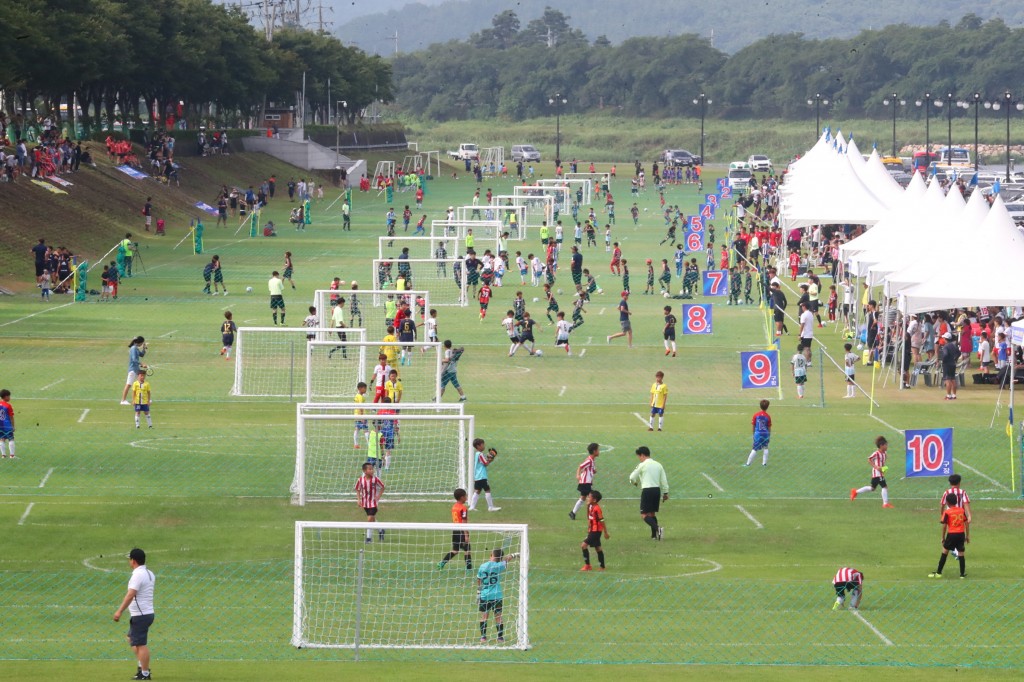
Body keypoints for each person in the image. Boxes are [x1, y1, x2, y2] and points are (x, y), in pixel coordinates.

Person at [113, 548, 155, 681]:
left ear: (134, 561)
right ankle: (142, 666)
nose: (129, 562)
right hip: (145, 613)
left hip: (141, 615)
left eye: (130, 559)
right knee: (131, 639)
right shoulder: (149, 573)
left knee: (140, 644)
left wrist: (119, 611)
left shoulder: (137, 575)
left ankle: (145, 673)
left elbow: (131, 594)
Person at [477, 548, 519, 643]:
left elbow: (479, 579)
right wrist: (514, 555)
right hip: (497, 595)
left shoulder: (482, 566)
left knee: (484, 617)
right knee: (498, 617)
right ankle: (500, 638)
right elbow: (506, 559)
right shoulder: (499, 566)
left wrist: (478, 592)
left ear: (491, 555)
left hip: (484, 595)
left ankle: (483, 637)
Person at [628, 446, 669, 540]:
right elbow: (664, 480)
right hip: (656, 490)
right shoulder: (658, 465)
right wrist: (665, 493)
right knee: (652, 514)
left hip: (647, 490)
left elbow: (631, 477)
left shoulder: (642, 465)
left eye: (639, 456)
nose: (639, 458)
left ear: (642, 455)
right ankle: (654, 536)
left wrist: (634, 483)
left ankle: (658, 529)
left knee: (644, 515)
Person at [928, 492, 969, 579]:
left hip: (952, 534)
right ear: (956, 501)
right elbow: (966, 523)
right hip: (961, 534)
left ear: (947, 502)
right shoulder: (962, 510)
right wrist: (967, 536)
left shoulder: (947, 512)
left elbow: (944, 525)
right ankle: (962, 575)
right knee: (961, 553)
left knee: (945, 552)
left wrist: (942, 537)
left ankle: (938, 573)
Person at [850, 436, 894, 507]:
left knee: (872, 488)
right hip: (877, 473)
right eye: (886, 445)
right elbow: (869, 459)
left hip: (880, 473)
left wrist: (883, 468)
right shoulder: (876, 453)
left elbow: (882, 462)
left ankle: (855, 491)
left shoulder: (884, 453)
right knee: (884, 487)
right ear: (881, 445)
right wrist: (876, 467)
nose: (887, 446)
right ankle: (885, 503)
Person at [438, 488, 473, 570]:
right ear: (462, 497)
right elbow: (464, 522)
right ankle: (469, 569)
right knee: (467, 550)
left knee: (455, 550)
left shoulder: (454, 507)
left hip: (455, 530)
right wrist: (466, 535)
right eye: (465, 496)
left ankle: (442, 563)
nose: (467, 497)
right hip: (462, 530)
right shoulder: (463, 508)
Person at [354, 462, 386, 543]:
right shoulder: (360, 480)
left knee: (369, 520)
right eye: (370, 469)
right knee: (372, 519)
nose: (372, 471)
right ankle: (381, 530)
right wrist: (359, 499)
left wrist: (378, 496)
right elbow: (357, 489)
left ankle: (369, 538)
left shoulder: (375, 479)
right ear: (364, 471)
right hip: (365, 503)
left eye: (372, 469)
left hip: (373, 503)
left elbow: (382, 487)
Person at [579, 489, 610, 571]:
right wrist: (587, 506)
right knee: (598, 547)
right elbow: (588, 517)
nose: (587, 498)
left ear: (594, 500)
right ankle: (602, 567)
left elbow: (602, 520)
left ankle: (588, 565)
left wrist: (605, 532)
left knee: (583, 545)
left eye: (589, 497)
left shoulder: (597, 508)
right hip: (592, 530)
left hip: (596, 531)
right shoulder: (590, 506)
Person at [469, 438, 501, 512]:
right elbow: (485, 463)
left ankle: (472, 507)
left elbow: (484, 462)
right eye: (483, 445)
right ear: (478, 446)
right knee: (487, 489)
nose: (484, 446)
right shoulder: (480, 454)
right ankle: (490, 507)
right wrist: (491, 458)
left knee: (477, 491)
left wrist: (489, 459)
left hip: (477, 476)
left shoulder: (477, 454)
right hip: (482, 476)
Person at [570, 442, 600, 520]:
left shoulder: (592, 460)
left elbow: (590, 470)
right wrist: (577, 475)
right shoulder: (589, 460)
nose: (599, 451)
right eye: (597, 450)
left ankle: (573, 513)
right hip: (585, 483)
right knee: (593, 497)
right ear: (594, 451)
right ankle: (592, 515)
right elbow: (580, 466)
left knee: (583, 498)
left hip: (587, 483)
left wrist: (593, 471)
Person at [120, 336, 147, 405]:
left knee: (141, 382)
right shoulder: (133, 348)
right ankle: (123, 400)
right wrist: (142, 364)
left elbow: (142, 355)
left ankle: (143, 399)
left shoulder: (136, 348)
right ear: (140, 342)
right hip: (133, 370)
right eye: (142, 343)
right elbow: (134, 359)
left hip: (136, 369)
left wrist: (144, 348)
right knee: (128, 384)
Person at [744, 399, 772, 466]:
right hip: (765, 434)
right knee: (766, 447)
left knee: (755, 448)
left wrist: (753, 434)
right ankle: (764, 463)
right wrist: (769, 435)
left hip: (758, 434)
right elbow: (769, 427)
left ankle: (748, 463)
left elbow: (753, 425)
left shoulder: (756, 415)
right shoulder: (768, 416)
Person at [940, 332, 961, 400]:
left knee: (947, 379)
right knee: (953, 379)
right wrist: (955, 359)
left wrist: (943, 360)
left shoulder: (946, 346)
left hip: (947, 364)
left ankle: (948, 395)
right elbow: (959, 353)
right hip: (953, 364)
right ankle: (954, 395)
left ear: (946, 339)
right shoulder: (953, 345)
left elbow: (945, 355)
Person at [0, 389, 14, 458]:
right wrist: (13, 426)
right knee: (11, 439)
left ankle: (3, 455)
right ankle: (12, 455)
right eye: (9, 396)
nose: (9, 398)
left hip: (0, 425)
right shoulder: (8, 406)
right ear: (5, 397)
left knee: (2, 439)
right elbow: (11, 417)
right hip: (7, 425)